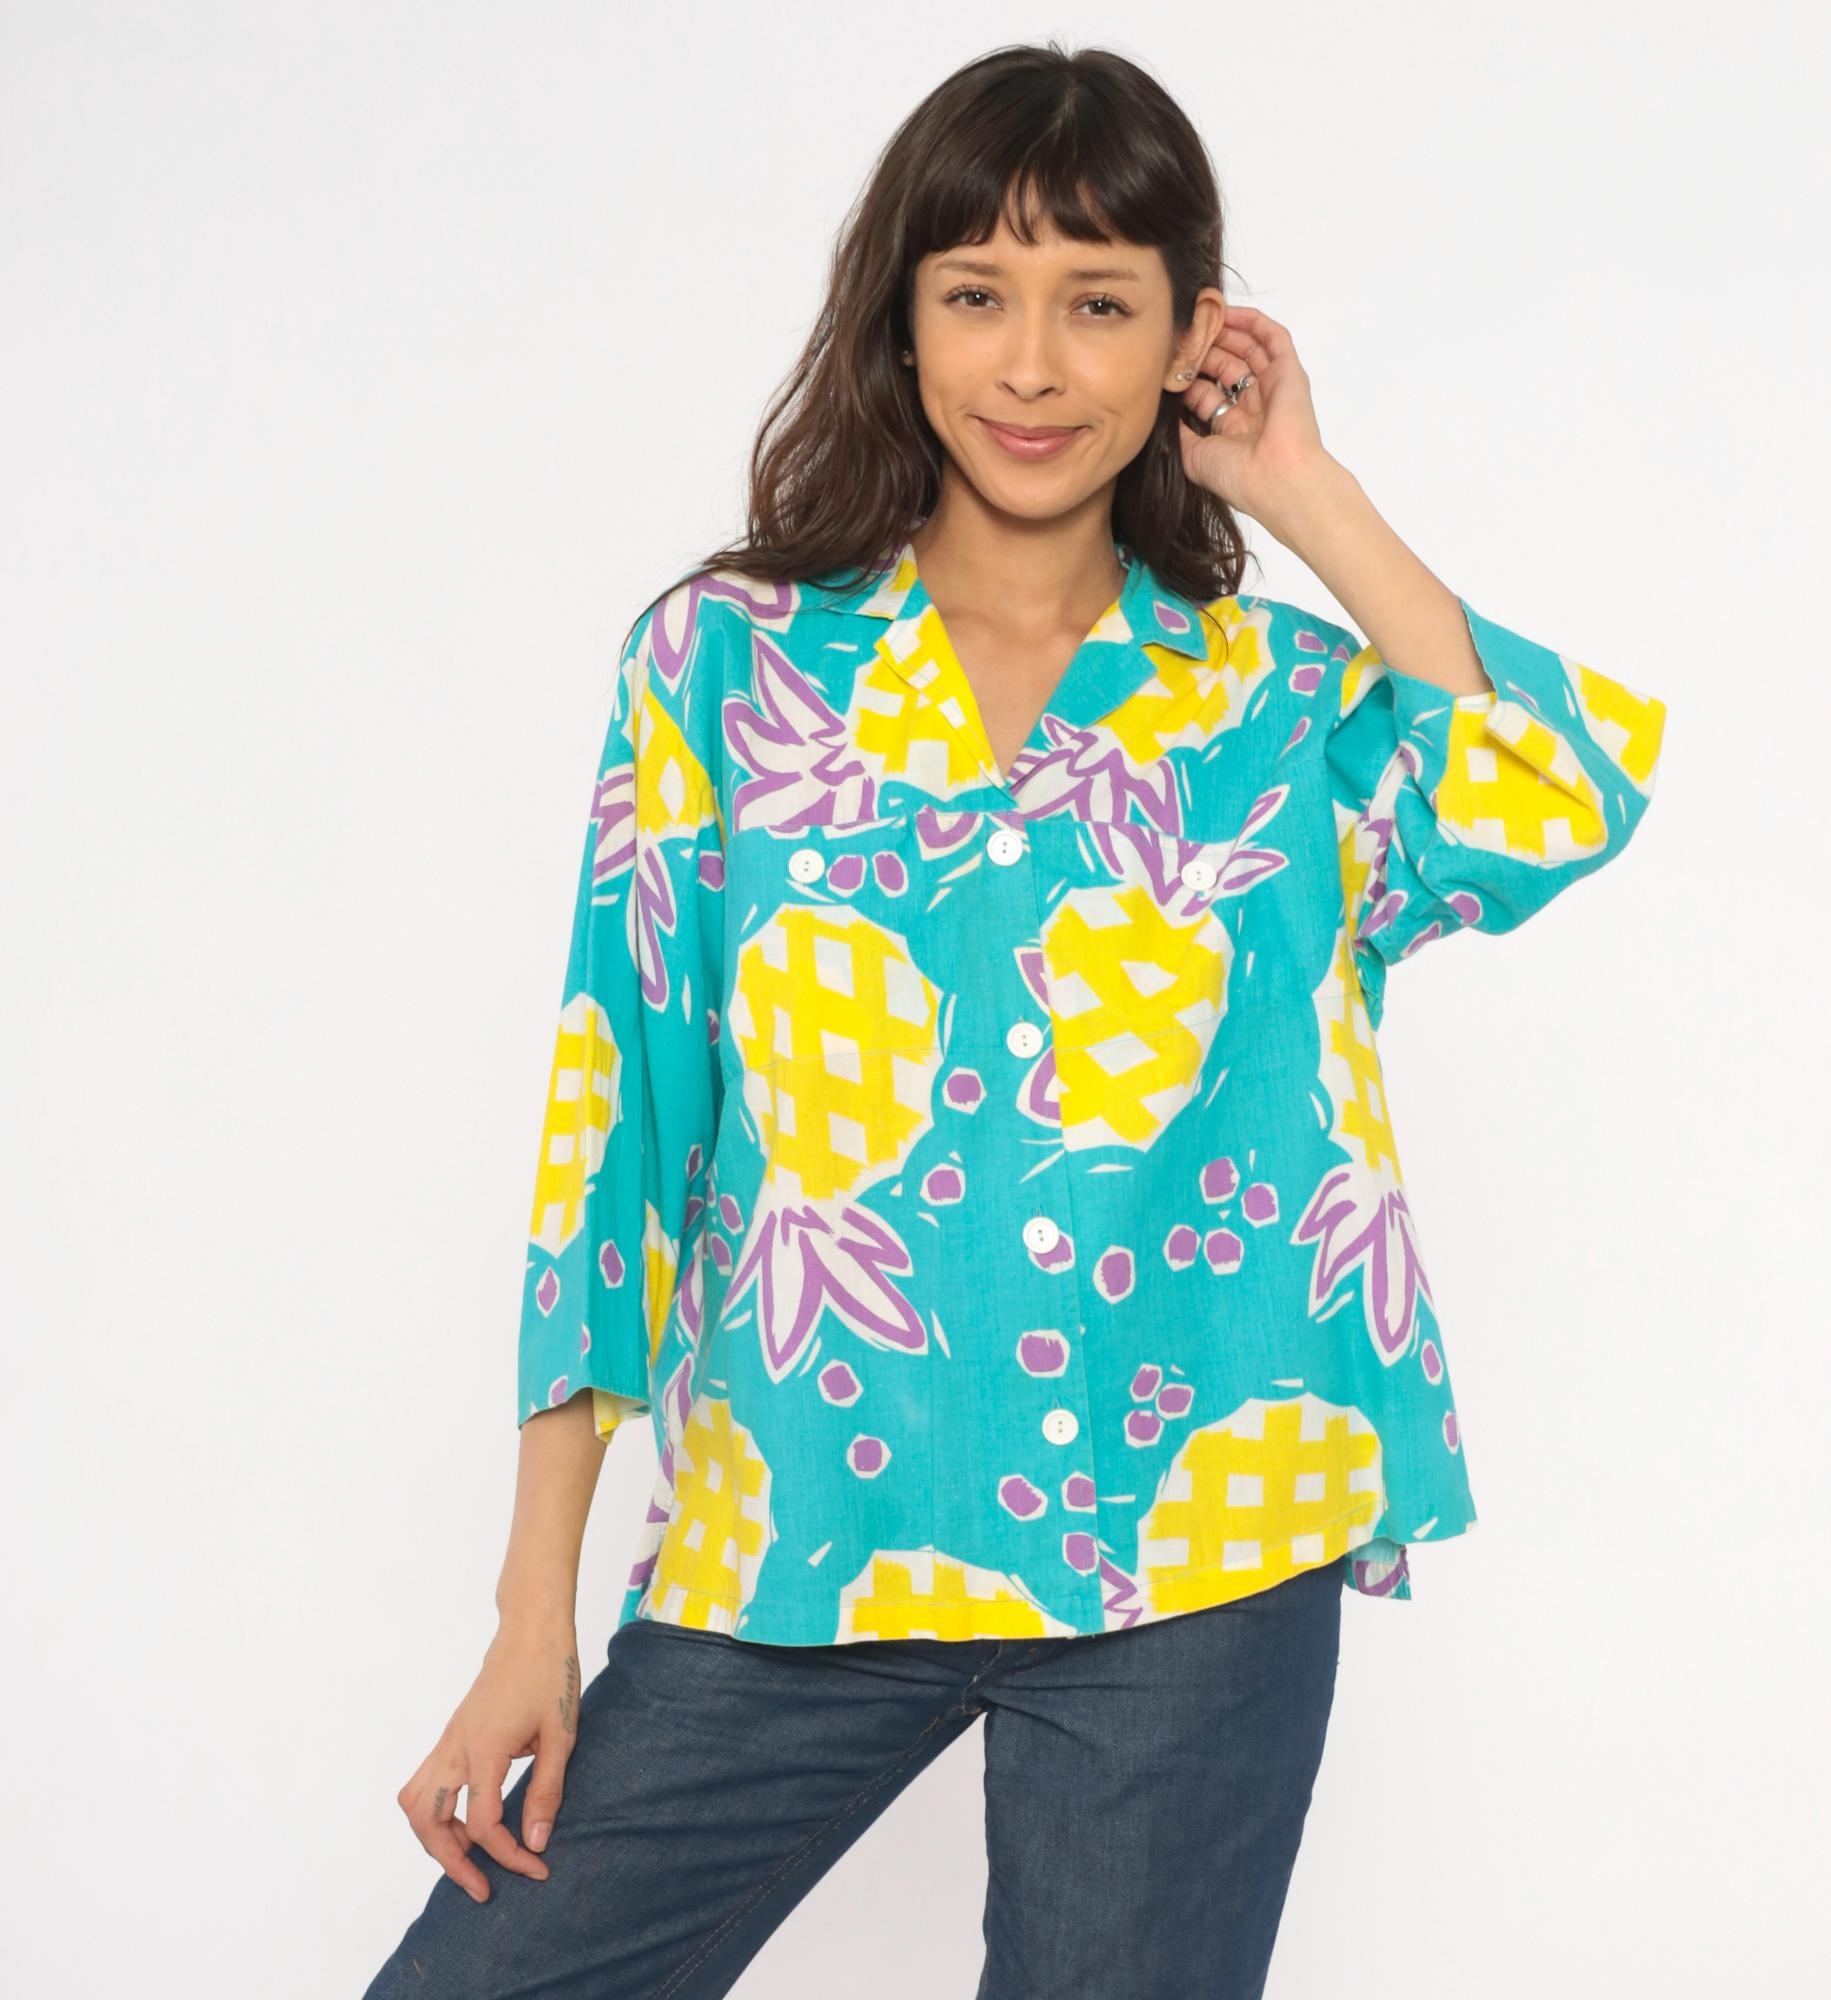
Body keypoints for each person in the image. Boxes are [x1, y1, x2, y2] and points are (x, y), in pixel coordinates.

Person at [363, 39, 1667, 2000]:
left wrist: (1300, 488)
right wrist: (529, 1611)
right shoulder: (724, 668)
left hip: (1200, 1562)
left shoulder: (1272, 706)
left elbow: (1553, 793)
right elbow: (615, 1137)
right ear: (901, 320)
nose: (1034, 368)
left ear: (1188, 338)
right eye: (978, 295)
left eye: (1099, 306)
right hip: (805, 1527)